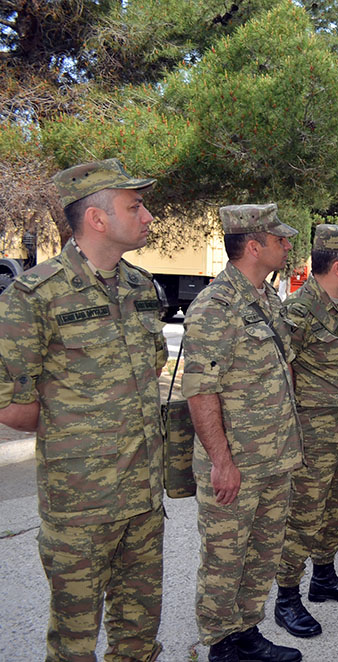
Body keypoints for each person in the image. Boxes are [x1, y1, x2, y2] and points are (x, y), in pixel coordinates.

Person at [0, 159, 166, 662]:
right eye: (134, 207)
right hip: (80, 506)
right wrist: (79, 433)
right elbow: (12, 407)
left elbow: (150, 371)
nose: (148, 217)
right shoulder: (34, 296)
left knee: (138, 630)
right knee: (73, 641)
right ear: (97, 219)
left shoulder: (141, 288)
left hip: (143, 496)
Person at [183, 203, 304, 662]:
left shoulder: (268, 299)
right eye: (280, 240)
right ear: (254, 246)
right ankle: (220, 642)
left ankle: (248, 630)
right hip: (237, 461)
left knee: (264, 551)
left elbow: (282, 370)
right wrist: (221, 461)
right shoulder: (216, 305)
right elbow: (200, 390)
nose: (288, 246)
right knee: (225, 558)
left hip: (275, 456)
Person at [273, 225, 338, 639]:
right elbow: (284, 372)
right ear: (337, 266)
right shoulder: (298, 311)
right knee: (303, 517)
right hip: (313, 437)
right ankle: (286, 597)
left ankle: (324, 577)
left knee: (337, 508)